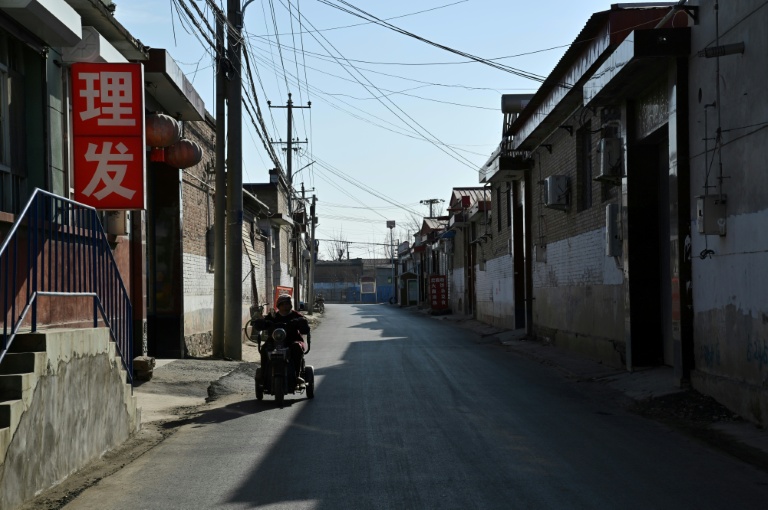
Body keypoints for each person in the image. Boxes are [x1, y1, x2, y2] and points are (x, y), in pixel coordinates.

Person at [256, 294, 310, 386]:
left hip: (293, 340)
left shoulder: (296, 315)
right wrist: (260, 321)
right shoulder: (273, 316)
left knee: (297, 348)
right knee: (265, 348)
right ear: (278, 306)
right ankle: (263, 375)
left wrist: (301, 322)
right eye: (283, 304)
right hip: (274, 340)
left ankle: (297, 375)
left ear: (291, 305)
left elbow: (305, 328)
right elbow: (262, 324)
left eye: (287, 304)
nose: (285, 306)